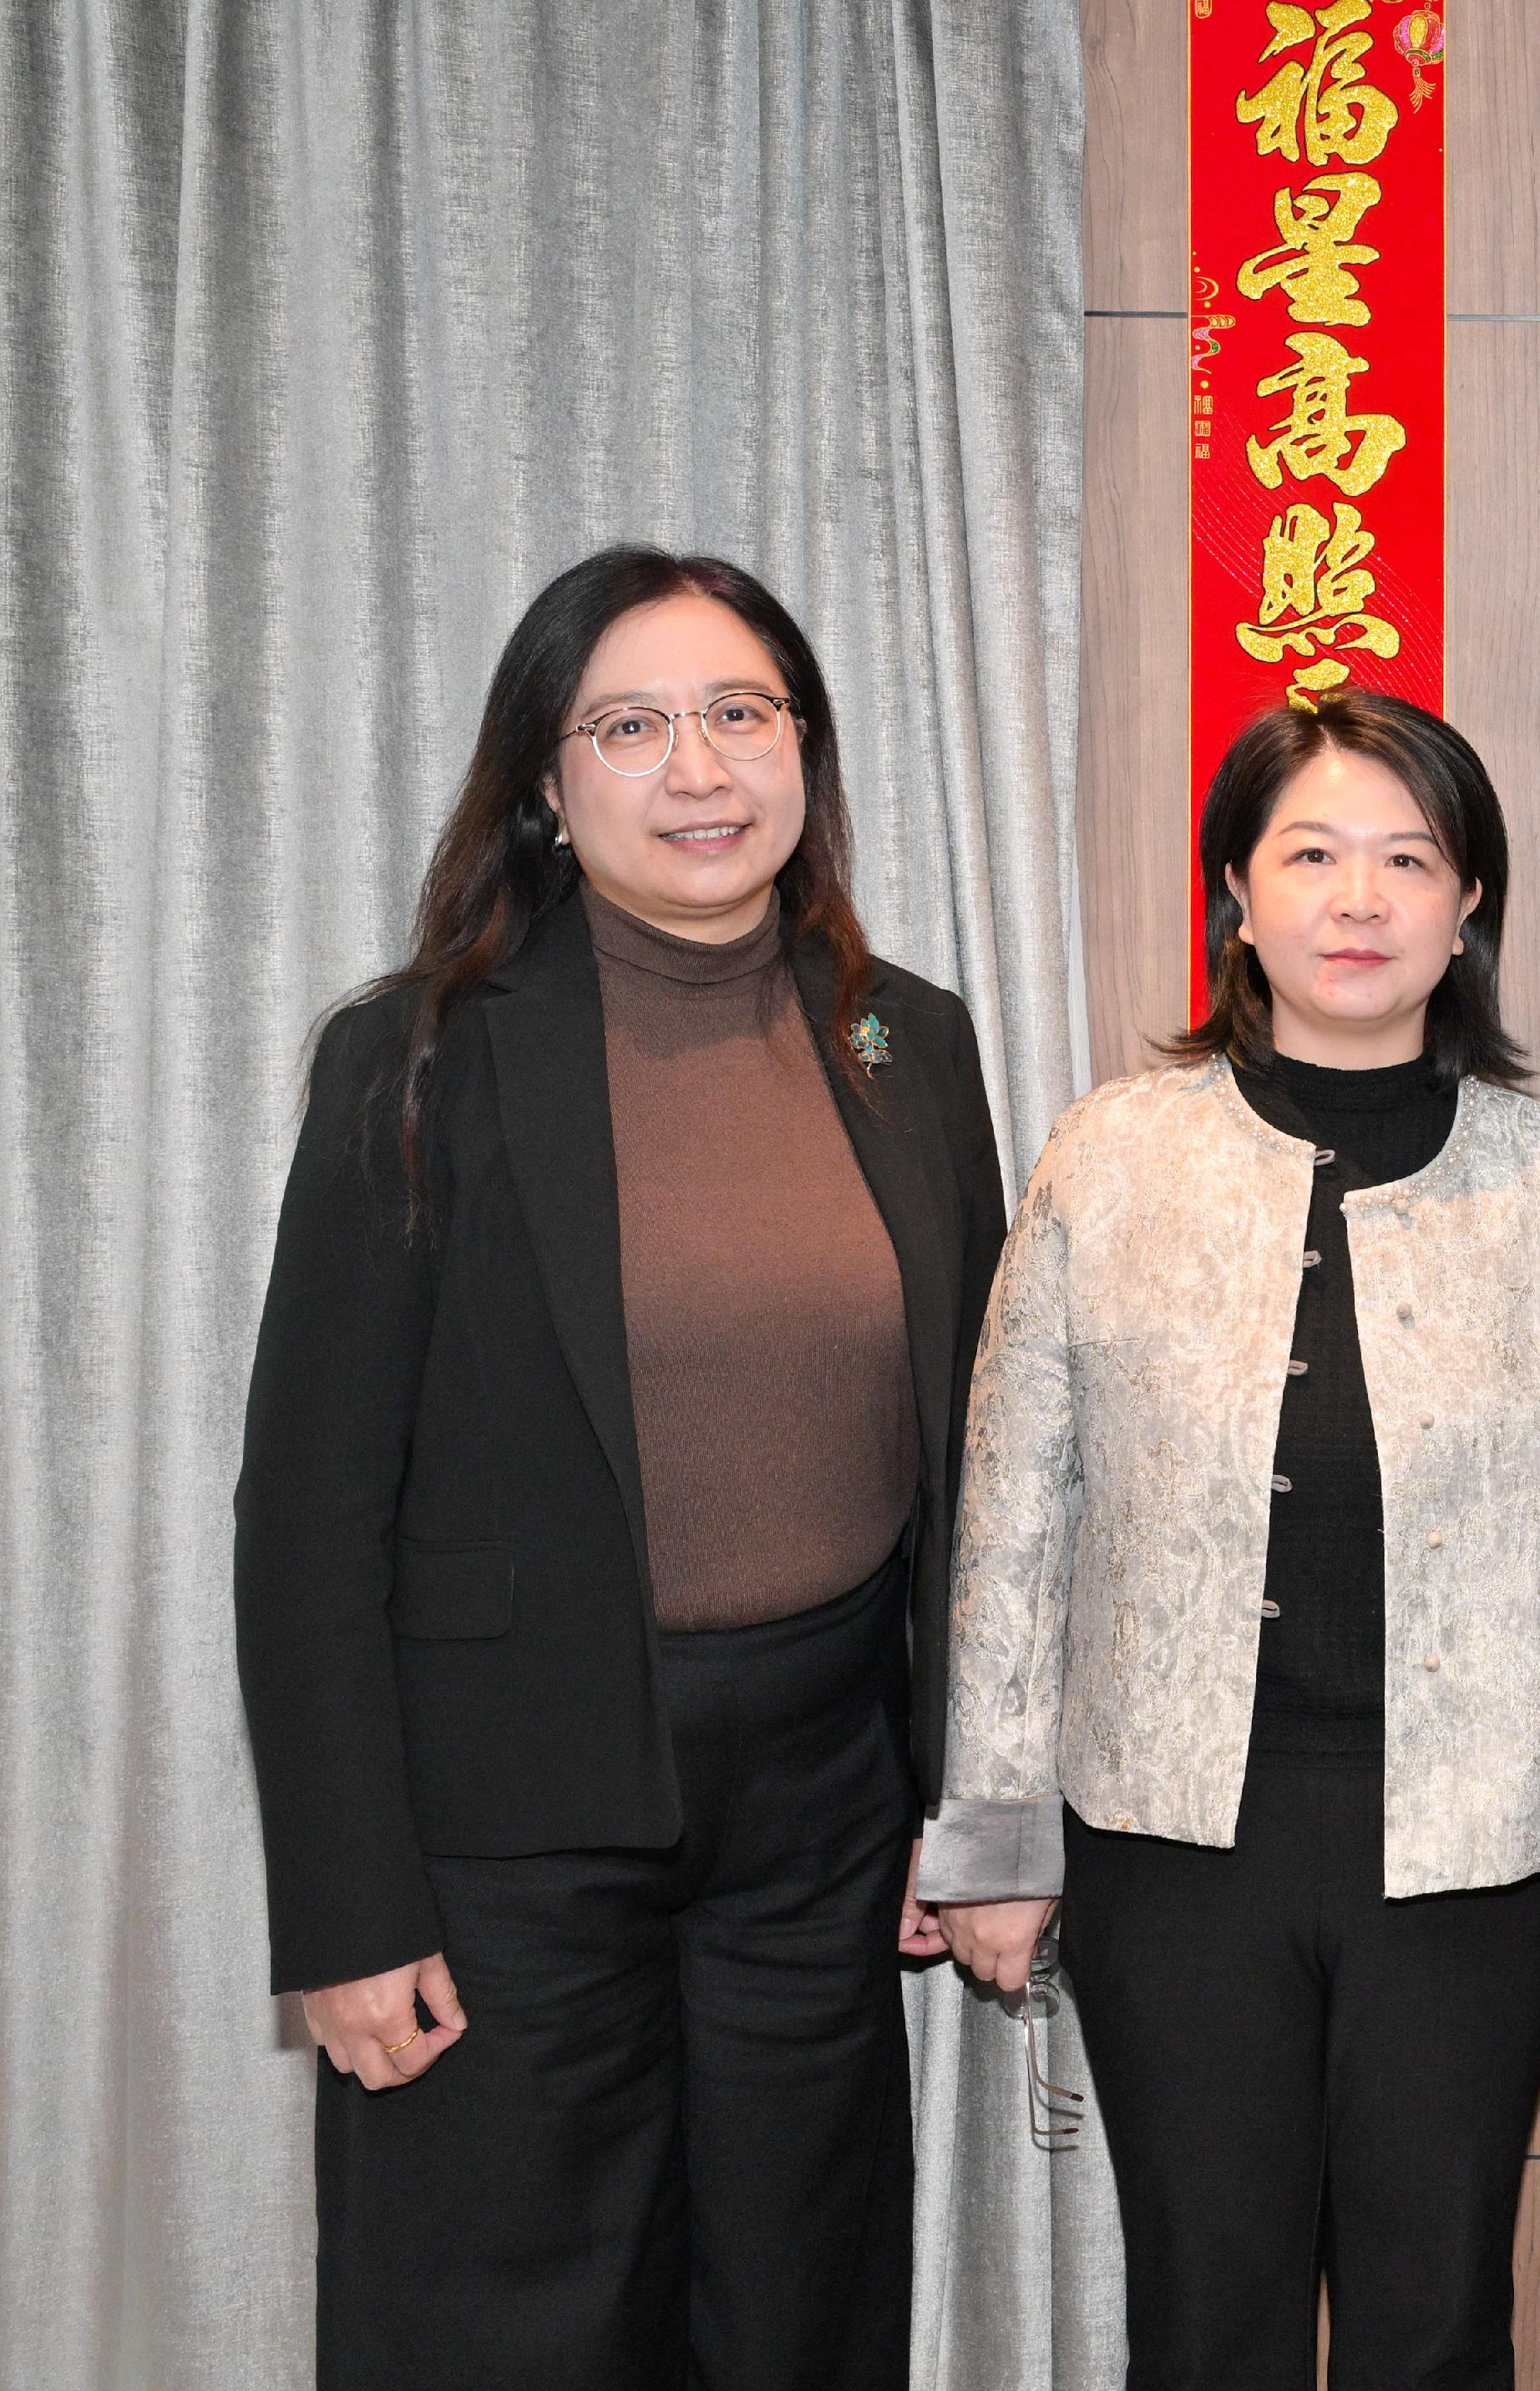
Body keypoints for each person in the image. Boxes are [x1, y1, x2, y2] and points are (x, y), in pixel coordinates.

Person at [235, 546, 1009, 2388]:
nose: (698, 771)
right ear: (545, 784)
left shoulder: (906, 1041)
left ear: (804, 756)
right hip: (510, 1816)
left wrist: (958, 1793)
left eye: (742, 715)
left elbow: (976, 1466)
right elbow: (307, 1519)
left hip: (822, 1812)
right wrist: (352, 1913)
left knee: (796, 2314)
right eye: (634, 726)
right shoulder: (416, 1059)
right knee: (513, 2326)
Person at [920, 691, 1540, 2391]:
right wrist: (995, 1828)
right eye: (1312, 854)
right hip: (1173, 1840)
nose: (1359, 900)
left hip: (1462, 1848)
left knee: (1434, 2322)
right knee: (1210, 2316)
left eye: (1407, 858)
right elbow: (1013, 1514)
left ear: (1467, 901)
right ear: (1235, 896)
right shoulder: (1106, 1160)